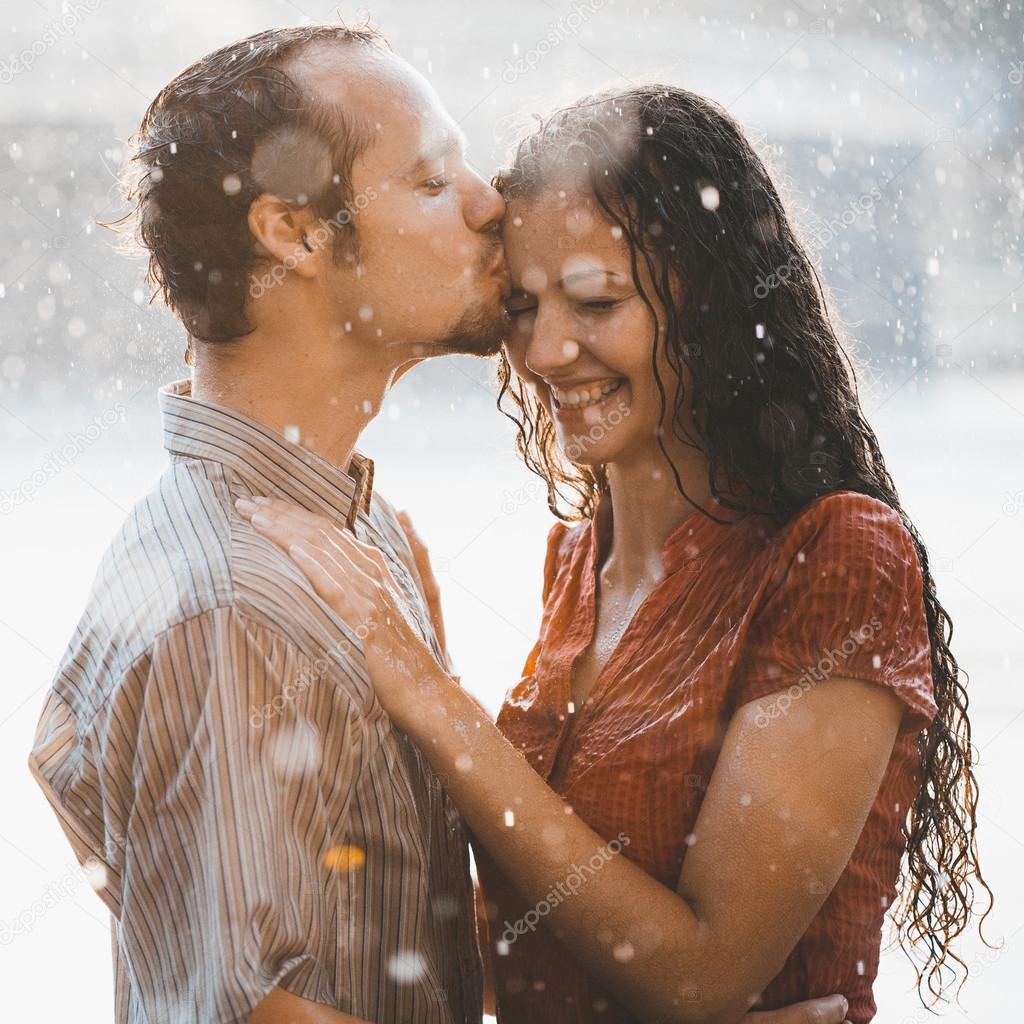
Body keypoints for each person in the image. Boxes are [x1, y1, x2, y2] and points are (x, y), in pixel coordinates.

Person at [27, 23, 848, 1024]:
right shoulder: (239, 601)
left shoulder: (335, 539)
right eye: (430, 180)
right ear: (293, 234)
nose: (488, 203)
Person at [237, 85, 991, 1023]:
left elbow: (700, 977)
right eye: (521, 304)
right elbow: (537, 931)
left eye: (597, 301)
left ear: (709, 303)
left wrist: (429, 695)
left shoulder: (837, 557)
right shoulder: (574, 561)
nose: (547, 349)